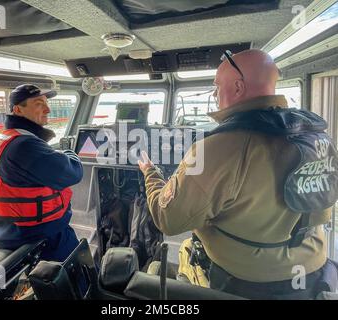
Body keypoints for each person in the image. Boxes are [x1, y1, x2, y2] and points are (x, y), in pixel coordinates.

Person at [138, 49, 338, 299]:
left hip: (249, 282)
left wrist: (150, 173)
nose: (214, 94)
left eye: (216, 86)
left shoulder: (219, 147)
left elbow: (168, 219)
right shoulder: (317, 136)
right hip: (316, 270)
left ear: (238, 87)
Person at [0, 84, 83, 262]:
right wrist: (69, 152)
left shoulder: (6, 139)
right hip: (40, 237)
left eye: (46, 103)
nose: (48, 109)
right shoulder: (24, 146)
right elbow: (73, 172)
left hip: (7, 231)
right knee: (83, 273)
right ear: (18, 110)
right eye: (38, 103)